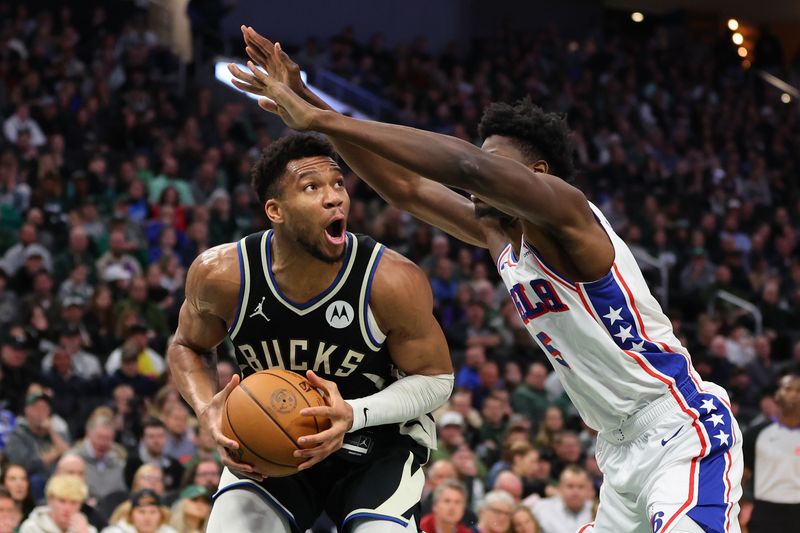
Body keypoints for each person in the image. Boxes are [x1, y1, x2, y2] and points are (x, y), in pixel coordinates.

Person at [231, 28, 743, 533]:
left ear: (537, 174)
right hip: (617, 450)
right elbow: (407, 187)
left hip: (681, 429)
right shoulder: (500, 233)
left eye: (497, 163)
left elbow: (467, 167)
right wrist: (309, 103)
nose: (482, 172)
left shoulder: (569, 214)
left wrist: (319, 117)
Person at [166, 132, 454, 533]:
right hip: (271, 446)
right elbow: (187, 346)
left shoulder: (390, 280)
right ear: (275, 210)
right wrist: (205, 408)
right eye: (312, 187)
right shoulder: (223, 274)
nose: (334, 197)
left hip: (377, 446)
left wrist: (354, 413)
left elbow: (437, 379)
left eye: (338, 184)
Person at [742, 374, 800, 530]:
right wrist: (742, 505)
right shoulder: (756, 433)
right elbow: (742, 475)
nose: (793, 395)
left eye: (798, 390)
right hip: (765, 510)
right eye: (788, 389)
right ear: (777, 396)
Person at [19, 474, 97, 533]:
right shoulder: (31, 528)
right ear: (50, 500)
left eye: (73, 502)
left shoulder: (88, 530)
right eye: (62, 501)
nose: (67, 508)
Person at [530, 466, 593, 533]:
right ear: (560, 487)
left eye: (580, 487)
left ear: (588, 489)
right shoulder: (541, 509)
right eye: (570, 486)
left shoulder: (598, 511)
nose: (575, 492)